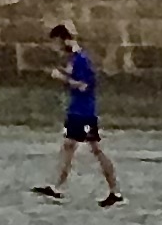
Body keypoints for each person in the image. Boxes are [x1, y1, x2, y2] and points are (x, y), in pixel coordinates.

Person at [37, 23, 120, 205]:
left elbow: (83, 85)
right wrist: (65, 73)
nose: (56, 48)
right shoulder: (75, 59)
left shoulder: (81, 59)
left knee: (95, 149)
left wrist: (62, 78)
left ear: (64, 40)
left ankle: (114, 190)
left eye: (57, 43)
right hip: (77, 110)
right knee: (69, 146)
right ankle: (57, 187)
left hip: (83, 112)